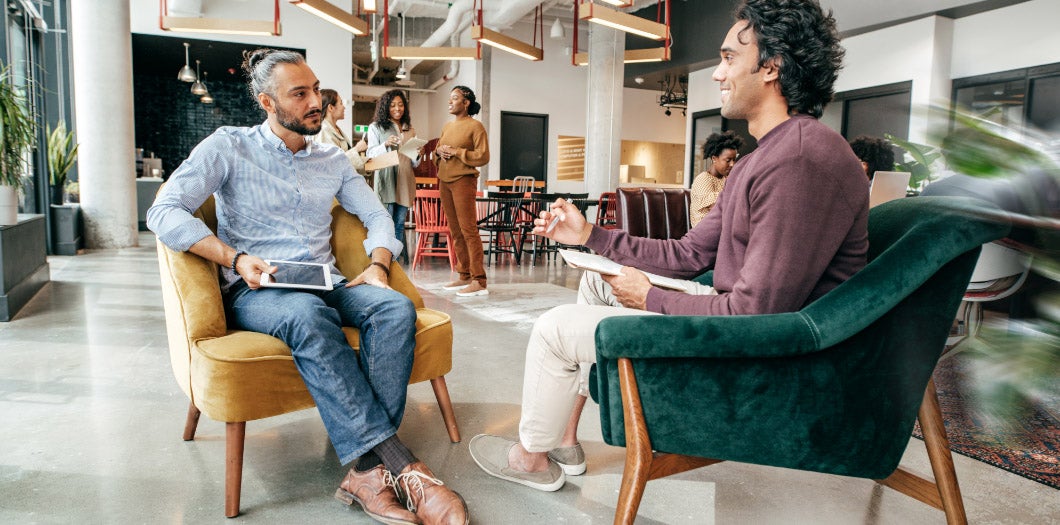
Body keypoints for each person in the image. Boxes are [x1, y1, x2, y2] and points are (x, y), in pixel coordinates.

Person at [469, 0, 869, 492]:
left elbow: (759, 314)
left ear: (772, 66)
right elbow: (689, 256)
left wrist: (653, 299)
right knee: (597, 280)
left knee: (554, 330)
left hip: (768, 353)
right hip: (741, 316)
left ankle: (530, 458)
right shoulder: (761, 160)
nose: (718, 73)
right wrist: (590, 235)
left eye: (728, 58)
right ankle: (565, 441)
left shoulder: (800, 161)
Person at [147, 49, 468, 525]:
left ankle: (366, 471)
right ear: (267, 102)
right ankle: (403, 466)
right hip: (259, 290)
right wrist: (234, 258)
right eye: (300, 94)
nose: (315, 101)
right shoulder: (229, 146)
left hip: (327, 281)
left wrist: (379, 264)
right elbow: (164, 211)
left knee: (394, 309)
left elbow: (378, 215)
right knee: (306, 315)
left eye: (316, 89)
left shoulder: (332, 159)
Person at [435, 86, 490, 297]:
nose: (450, 102)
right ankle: (464, 275)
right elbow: (438, 151)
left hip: (463, 181)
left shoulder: (476, 127)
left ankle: (479, 280)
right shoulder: (447, 126)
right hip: (445, 180)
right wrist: (438, 151)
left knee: (469, 230)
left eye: (455, 98)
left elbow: (483, 156)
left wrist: (457, 152)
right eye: (450, 98)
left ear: (466, 103)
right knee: (455, 230)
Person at [367, 89, 420, 264]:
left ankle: (394, 261)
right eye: (392, 105)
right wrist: (385, 144)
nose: (397, 108)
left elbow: (414, 163)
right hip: (386, 179)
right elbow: (370, 154)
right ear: (385, 107)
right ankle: (383, 260)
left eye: (400, 104)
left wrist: (417, 154)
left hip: (405, 179)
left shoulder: (409, 129)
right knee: (386, 222)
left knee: (399, 223)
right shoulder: (376, 127)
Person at [689, 130, 745, 225]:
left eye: (734, 160)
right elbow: (719, 209)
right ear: (714, 158)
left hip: (721, 231)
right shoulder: (703, 179)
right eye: (728, 160)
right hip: (705, 234)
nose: (732, 164)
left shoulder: (724, 179)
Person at [317, 88, 369, 178]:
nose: (344, 107)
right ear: (331, 108)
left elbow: (345, 158)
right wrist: (356, 149)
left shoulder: (336, 129)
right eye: (341, 103)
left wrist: (368, 163)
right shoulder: (323, 131)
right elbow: (332, 164)